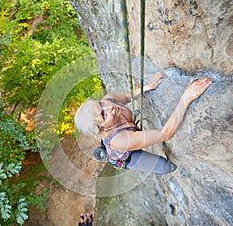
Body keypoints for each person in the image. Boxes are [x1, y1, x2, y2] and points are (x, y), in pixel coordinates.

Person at [74, 72, 213, 174]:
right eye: (104, 115)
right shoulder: (119, 140)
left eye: (100, 103)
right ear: (102, 130)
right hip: (126, 155)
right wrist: (186, 97)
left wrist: (148, 86)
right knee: (165, 167)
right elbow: (165, 134)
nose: (109, 107)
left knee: (124, 119)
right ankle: (132, 137)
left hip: (127, 134)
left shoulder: (109, 100)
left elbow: (127, 96)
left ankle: (131, 130)